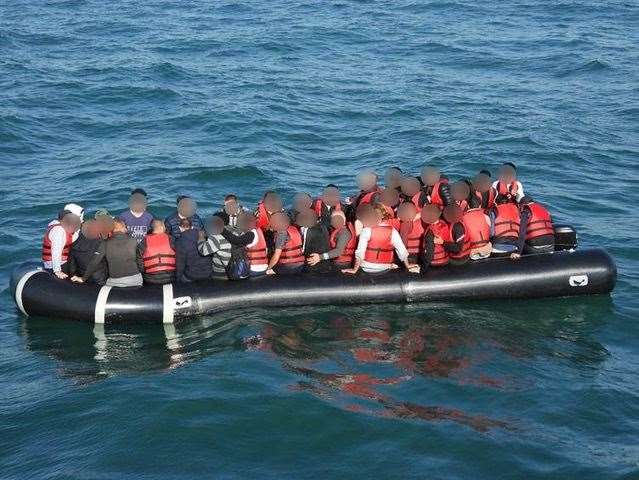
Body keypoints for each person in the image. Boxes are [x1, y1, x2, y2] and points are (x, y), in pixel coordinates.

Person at [343, 204, 420, 275]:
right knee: (393, 262)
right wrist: (408, 265)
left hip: (366, 267)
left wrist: (354, 269)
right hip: (384, 267)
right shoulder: (392, 231)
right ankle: (391, 265)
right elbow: (402, 250)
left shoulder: (366, 230)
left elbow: (360, 252)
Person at [72, 219, 143, 287]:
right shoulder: (133, 240)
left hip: (116, 282)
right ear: (123, 228)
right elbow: (140, 260)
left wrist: (83, 278)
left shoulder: (105, 243)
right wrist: (141, 272)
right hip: (136, 279)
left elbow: (94, 262)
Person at [219, 213, 269, 277]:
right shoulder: (258, 230)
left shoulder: (251, 234)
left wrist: (222, 230)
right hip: (263, 266)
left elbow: (236, 241)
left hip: (255, 268)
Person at [41, 204, 83, 278]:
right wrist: (57, 271)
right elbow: (56, 251)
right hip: (57, 264)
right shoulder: (59, 231)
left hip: (67, 260)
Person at [65, 220, 107, 285]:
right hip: (100, 279)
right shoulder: (101, 243)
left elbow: (72, 267)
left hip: (83, 279)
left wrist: (75, 277)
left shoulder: (74, 245)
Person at [173, 218, 213, 282]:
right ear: (192, 227)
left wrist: (178, 279)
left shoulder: (179, 242)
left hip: (193, 275)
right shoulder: (203, 235)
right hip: (208, 273)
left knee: (182, 276)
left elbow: (180, 264)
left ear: (180, 228)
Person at [139, 219, 176, 285]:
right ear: (162, 227)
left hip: (150, 278)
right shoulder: (171, 239)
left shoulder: (143, 242)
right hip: (170, 277)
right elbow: (179, 257)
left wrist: (145, 273)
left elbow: (140, 262)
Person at [297, 208, 332, 273]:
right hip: (326, 264)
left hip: (312, 264)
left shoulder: (309, 230)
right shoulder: (323, 227)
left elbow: (304, 250)